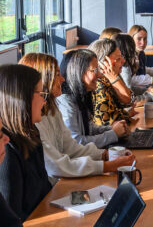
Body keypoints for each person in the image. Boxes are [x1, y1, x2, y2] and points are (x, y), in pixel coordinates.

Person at [19, 52, 135, 183]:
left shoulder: (52, 108)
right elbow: (57, 165)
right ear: (43, 80)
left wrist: (103, 155)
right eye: (57, 75)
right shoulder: (36, 119)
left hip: (64, 180)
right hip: (56, 186)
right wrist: (106, 165)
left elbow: (70, 147)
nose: (62, 79)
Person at [0, 64, 53, 221]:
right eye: (40, 94)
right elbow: (12, 219)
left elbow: (45, 189)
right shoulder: (4, 151)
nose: (44, 101)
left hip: (46, 219)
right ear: (22, 98)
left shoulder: (31, 132)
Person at [57, 48, 129, 149]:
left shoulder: (82, 95)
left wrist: (112, 129)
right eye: (94, 70)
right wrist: (113, 134)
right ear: (79, 73)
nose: (99, 75)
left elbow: (89, 129)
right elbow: (76, 142)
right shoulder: (66, 102)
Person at [87, 38, 135, 127]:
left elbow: (129, 100)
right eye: (118, 58)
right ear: (104, 63)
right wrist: (126, 113)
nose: (123, 61)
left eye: (121, 57)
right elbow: (108, 123)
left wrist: (114, 78)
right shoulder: (98, 85)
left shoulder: (110, 78)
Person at [112, 33, 153, 103]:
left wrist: (146, 90)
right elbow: (129, 100)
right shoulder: (124, 68)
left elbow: (129, 88)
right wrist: (149, 95)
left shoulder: (125, 66)